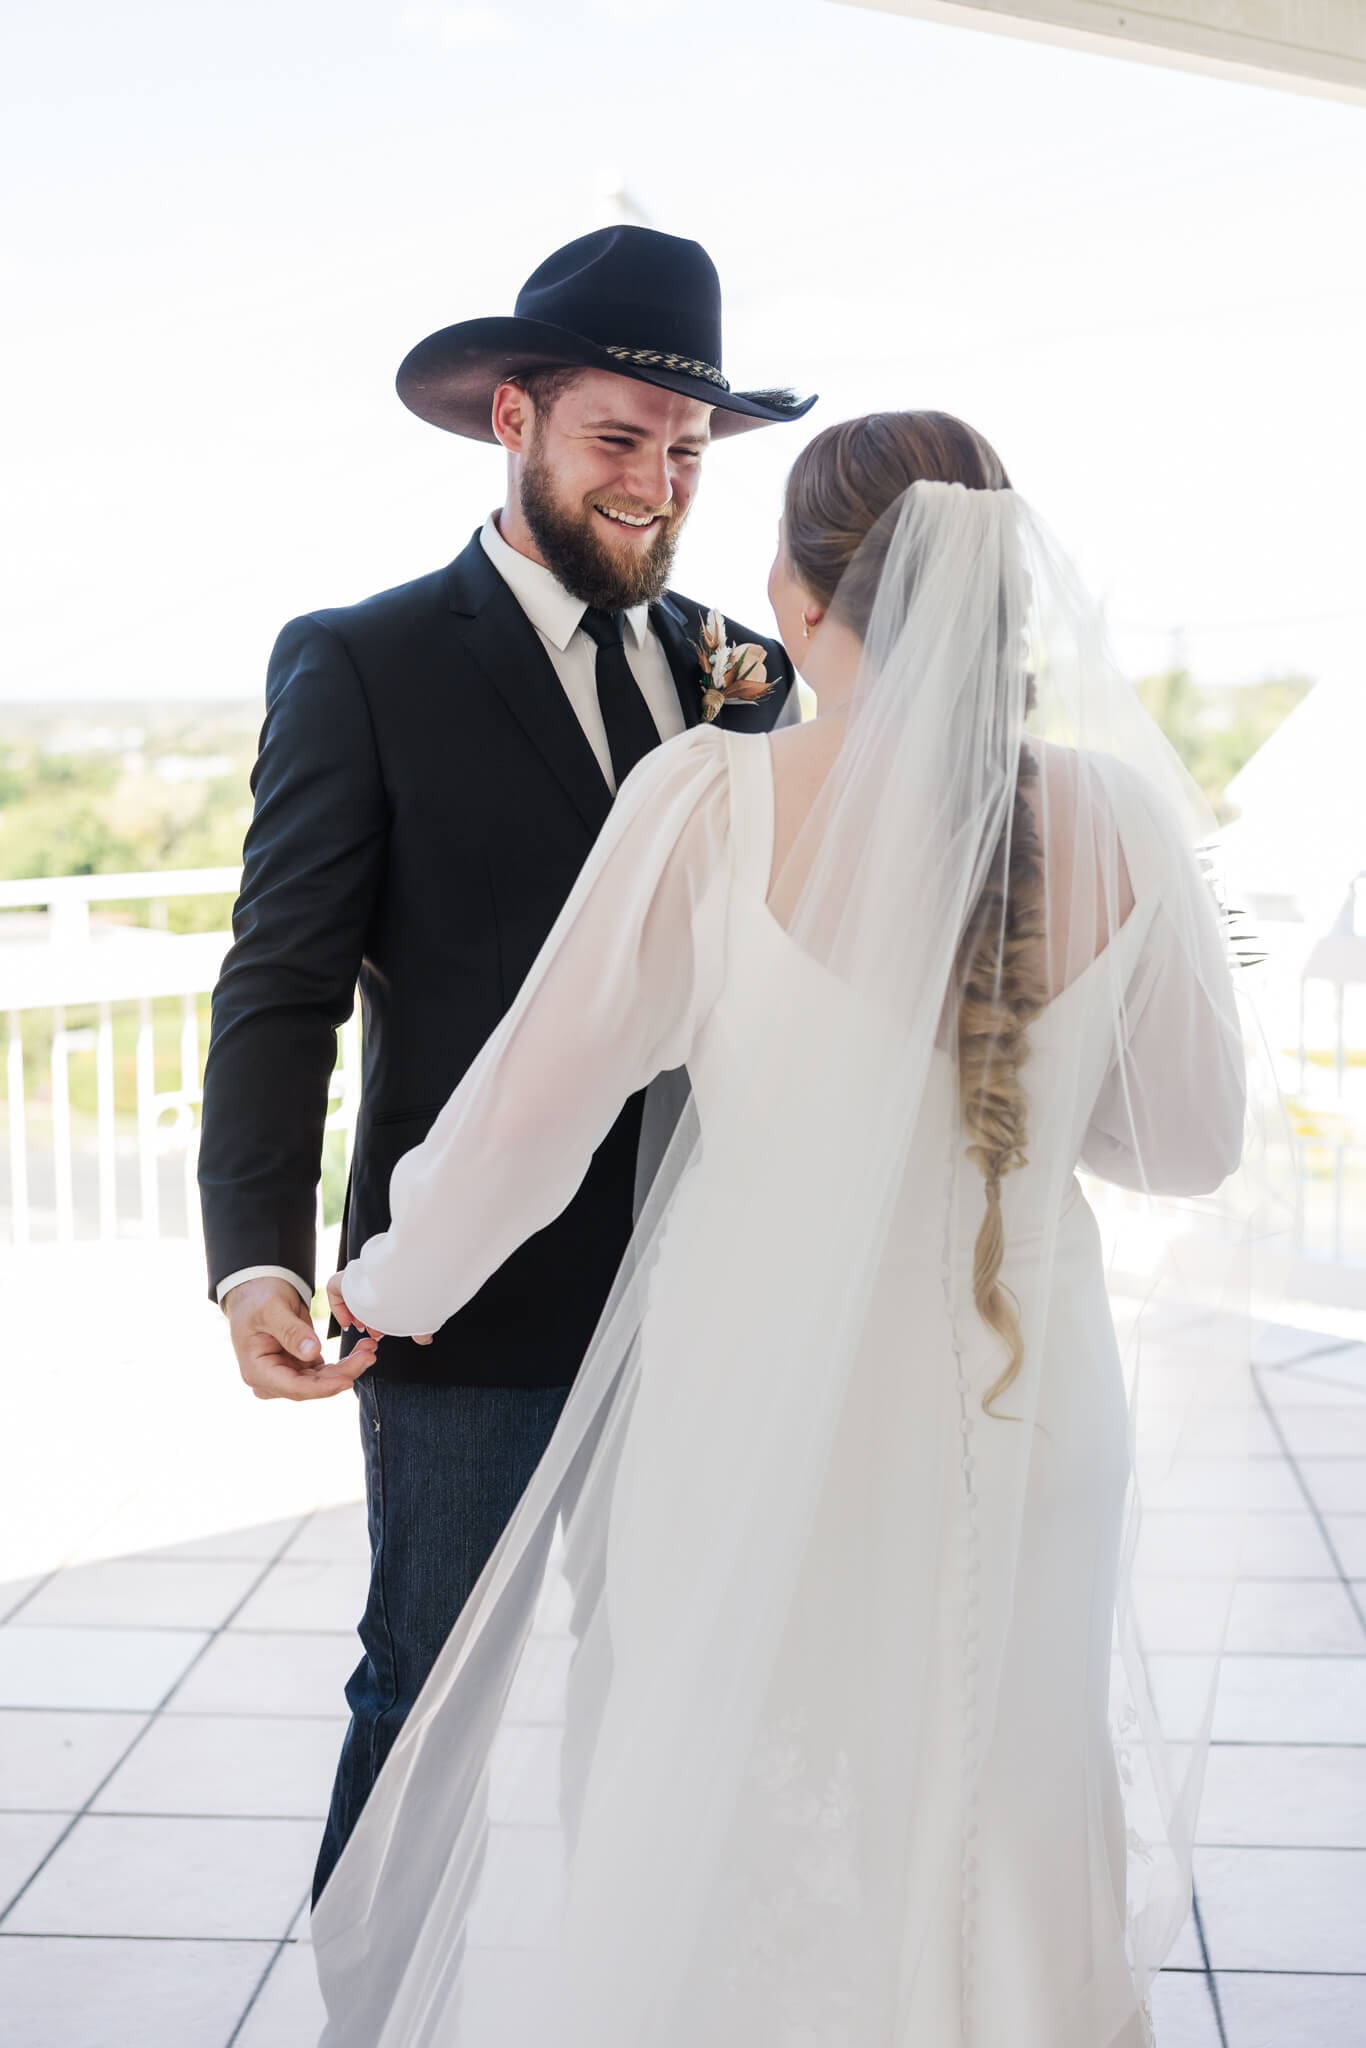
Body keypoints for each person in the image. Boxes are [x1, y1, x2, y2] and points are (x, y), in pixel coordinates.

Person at [312, 410, 1252, 2046]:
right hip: (1035, 1407)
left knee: (742, 1788)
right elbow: (1185, 1147)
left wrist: (386, 1283)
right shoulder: (1118, 822)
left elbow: (526, 1122)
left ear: (796, 597)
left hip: (765, 1411)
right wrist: (1014, 1091)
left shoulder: (712, 802)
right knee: (1004, 1784)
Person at [196, 223, 815, 1902]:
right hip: (467, 1300)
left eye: (686, 454)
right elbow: (281, 980)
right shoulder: (363, 659)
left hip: (710, 1295)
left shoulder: (735, 672)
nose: (659, 486)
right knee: (423, 1704)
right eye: (620, 439)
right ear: (514, 422)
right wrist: (250, 1251)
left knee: (669, 1703)